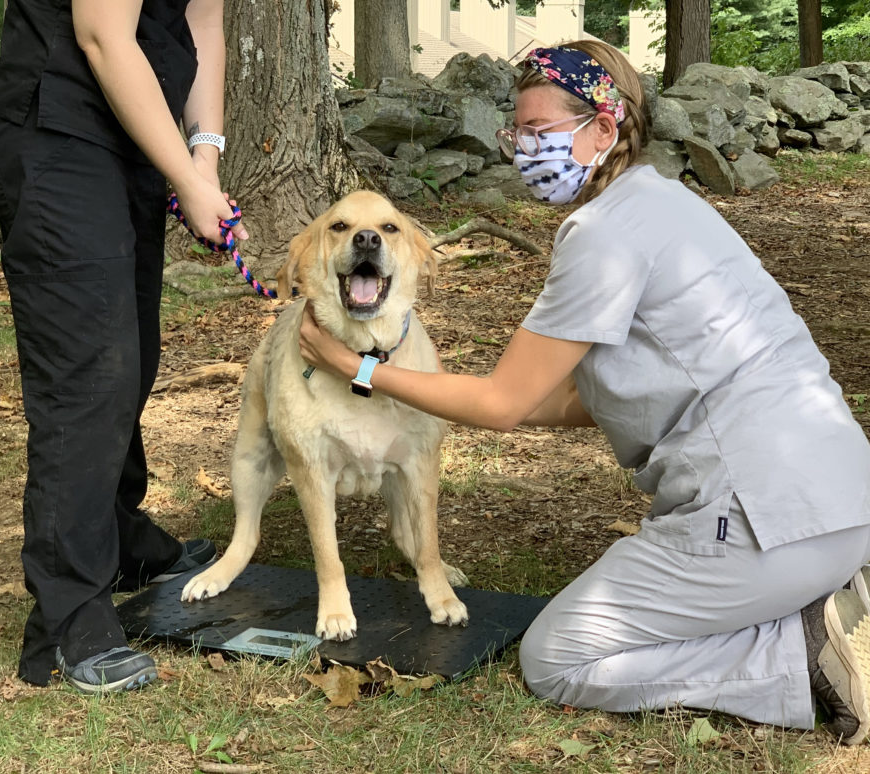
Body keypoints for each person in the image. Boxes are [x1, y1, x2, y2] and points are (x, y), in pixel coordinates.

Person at [299, 40, 870, 743]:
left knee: (557, 656)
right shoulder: (663, 203)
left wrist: (357, 368)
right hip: (836, 501)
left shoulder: (603, 234)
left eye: (540, 133)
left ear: (605, 127)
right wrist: (423, 387)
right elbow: (577, 399)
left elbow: (505, 404)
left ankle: (797, 651)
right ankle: (822, 601)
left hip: (760, 521)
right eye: (519, 132)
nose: (523, 150)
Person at [0, 0, 246, 694]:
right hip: (55, 128)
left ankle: (119, 540)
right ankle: (69, 621)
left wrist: (202, 153)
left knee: (133, 354)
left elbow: (203, 23)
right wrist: (186, 180)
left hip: (132, 131)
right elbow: (101, 35)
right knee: (90, 368)